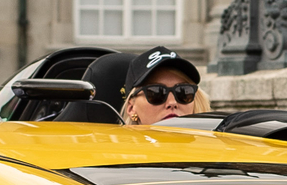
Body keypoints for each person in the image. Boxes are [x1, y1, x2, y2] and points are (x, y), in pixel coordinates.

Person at [61, 47, 203, 127]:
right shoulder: (116, 161)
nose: (172, 103)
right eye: (156, 93)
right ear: (131, 108)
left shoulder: (215, 152)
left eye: (184, 93)